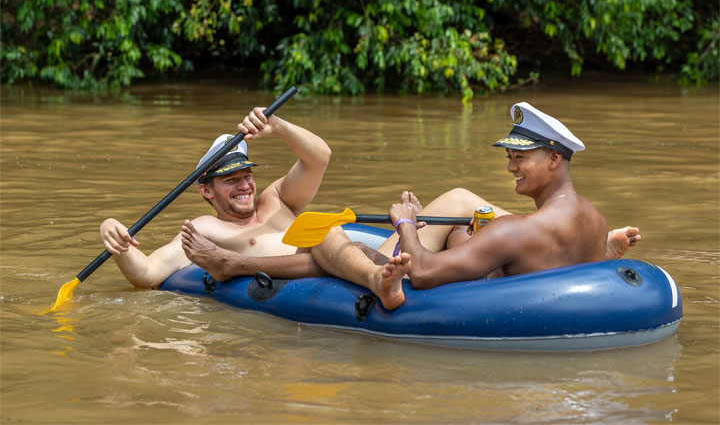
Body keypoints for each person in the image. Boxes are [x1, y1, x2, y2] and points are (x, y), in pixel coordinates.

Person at [182, 102, 641, 311]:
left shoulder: (516, 231)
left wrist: (406, 224)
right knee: (462, 221)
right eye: (510, 158)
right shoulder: (594, 218)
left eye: (519, 158)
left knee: (327, 236)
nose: (511, 169)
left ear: (554, 159)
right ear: (208, 190)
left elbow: (419, 274)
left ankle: (235, 265)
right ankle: (238, 263)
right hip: (537, 269)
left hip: (487, 285)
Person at [99, 107, 332, 288]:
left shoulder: (278, 198)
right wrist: (113, 236)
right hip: (304, 280)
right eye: (230, 180)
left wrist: (278, 126)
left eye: (247, 176)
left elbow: (319, 158)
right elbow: (148, 273)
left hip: (330, 261)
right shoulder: (204, 229)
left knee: (332, 232)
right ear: (206, 191)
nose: (244, 186)